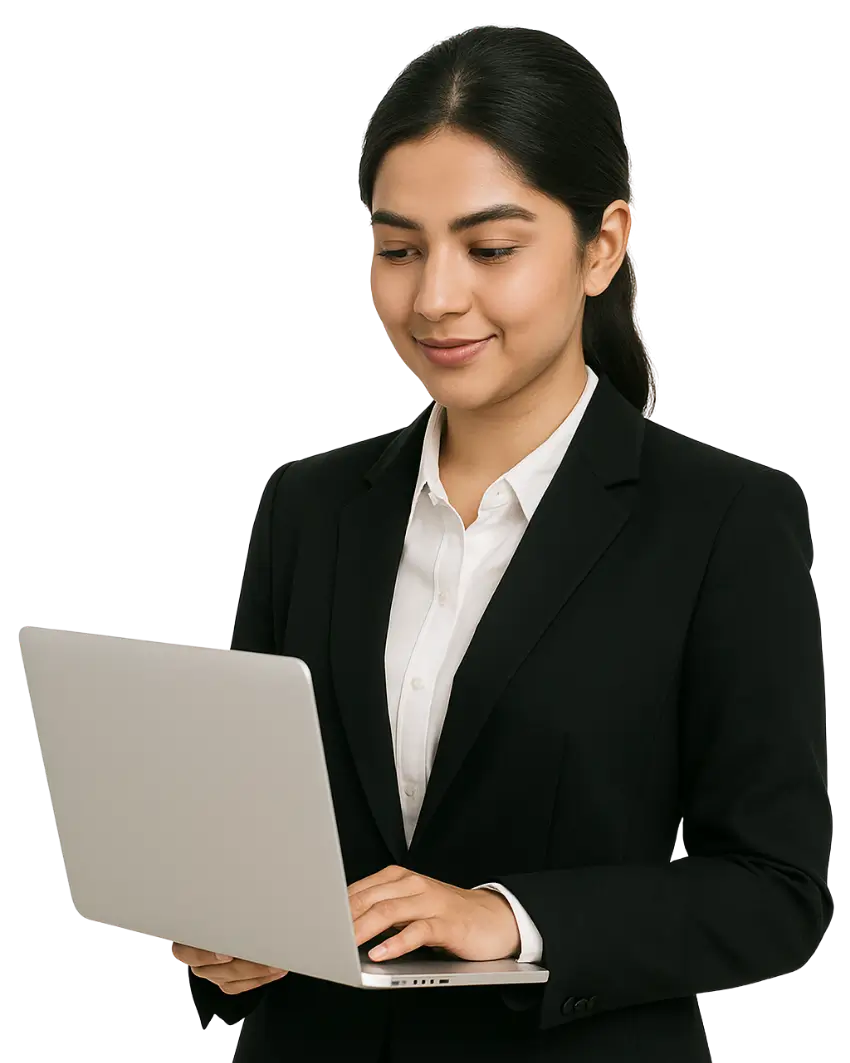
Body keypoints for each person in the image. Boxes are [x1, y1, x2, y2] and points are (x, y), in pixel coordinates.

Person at [180, 24, 831, 1063]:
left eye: (489, 248)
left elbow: (772, 891)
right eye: (398, 249)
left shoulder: (722, 521)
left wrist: (508, 916)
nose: (433, 297)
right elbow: (268, 828)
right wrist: (228, 928)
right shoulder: (308, 505)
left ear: (601, 246)